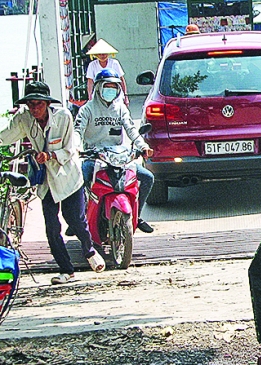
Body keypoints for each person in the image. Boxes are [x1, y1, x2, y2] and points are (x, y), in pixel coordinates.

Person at [0, 81, 105, 284]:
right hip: (46, 180)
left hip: (67, 177)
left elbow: (70, 149)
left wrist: (50, 155)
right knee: (51, 226)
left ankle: (89, 250)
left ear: (47, 103)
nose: (35, 109)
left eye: (38, 104)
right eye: (31, 105)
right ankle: (66, 270)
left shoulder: (63, 116)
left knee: (74, 219)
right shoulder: (24, 119)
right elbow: (5, 136)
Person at [74, 70, 155, 234]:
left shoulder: (121, 108)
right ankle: (79, 218)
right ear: (98, 88)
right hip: (93, 156)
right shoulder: (87, 109)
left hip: (118, 157)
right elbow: (77, 131)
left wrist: (143, 146)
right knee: (78, 181)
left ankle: (136, 216)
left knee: (147, 177)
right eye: (107, 86)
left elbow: (132, 130)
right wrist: (75, 147)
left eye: (114, 87)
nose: (110, 90)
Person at [85, 39, 128, 104]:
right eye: (100, 54)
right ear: (96, 55)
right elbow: (90, 81)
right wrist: (90, 97)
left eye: (104, 54)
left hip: (114, 92)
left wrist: (125, 95)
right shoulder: (92, 65)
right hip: (99, 93)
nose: (102, 56)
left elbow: (121, 79)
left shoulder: (114, 63)